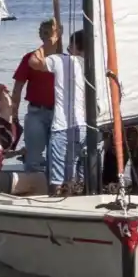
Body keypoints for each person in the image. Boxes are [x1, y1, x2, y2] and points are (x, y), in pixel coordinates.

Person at [9, 20, 60, 175]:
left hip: (59, 113)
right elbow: (17, 88)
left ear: (57, 35)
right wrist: (13, 113)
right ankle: (32, 182)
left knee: (57, 156)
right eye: (42, 33)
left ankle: (56, 183)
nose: (45, 37)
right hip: (36, 111)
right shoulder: (30, 59)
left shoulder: (64, 59)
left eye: (48, 33)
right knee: (33, 156)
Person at [46, 30, 88, 196]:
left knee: (59, 178)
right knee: (83, 176)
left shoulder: (61, 60)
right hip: (89, 128)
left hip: (63, 127)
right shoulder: (96, 65)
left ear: (74, 46)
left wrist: (51, 41)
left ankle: (57, 199)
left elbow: (35, 62)